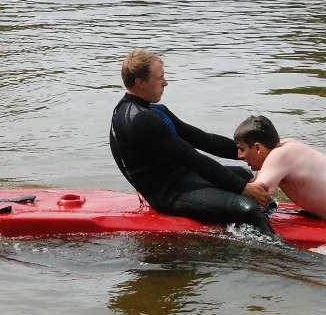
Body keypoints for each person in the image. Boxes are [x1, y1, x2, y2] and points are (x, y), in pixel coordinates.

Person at [110, 50, 273, 233]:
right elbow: (193, 158)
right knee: (248, 209)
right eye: (160, 77)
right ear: (140, 83)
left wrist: (260, 153)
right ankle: (278, 256)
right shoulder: (140, 120)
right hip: (169, 195)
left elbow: (204, 140)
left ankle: (273, 221)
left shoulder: (155, 111)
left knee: (243, 174)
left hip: (183, 179)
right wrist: (243, 189)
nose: (165, 82)